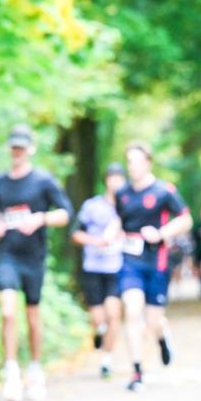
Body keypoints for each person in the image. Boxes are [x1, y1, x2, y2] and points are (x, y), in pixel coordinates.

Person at [0, 124, 72, 401]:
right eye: (14, 147)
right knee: (8, 311)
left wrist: (40, 219)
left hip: (33, 256)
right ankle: (11, 372)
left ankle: (35, 370)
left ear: (30, 149)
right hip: (8, 255)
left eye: (22, 147)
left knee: (33, 317)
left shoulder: (43, 181)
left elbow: (65, 213)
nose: (17, 151)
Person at [110, 142, 192, 392]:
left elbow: (186, 219)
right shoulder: (122, 193)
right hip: (130, 261)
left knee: (153, 320)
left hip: (157, 261)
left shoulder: (163, 191)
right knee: (132, 311)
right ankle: (136, 372)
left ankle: (162, 337)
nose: (132, 166)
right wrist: (110, 236)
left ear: (148, 163)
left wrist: (161, 233)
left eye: (136, 161)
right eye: (129, 161)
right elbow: (120, 223)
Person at [71, 163, 126, 380]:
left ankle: (106, 361)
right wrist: (96, 241)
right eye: (112, 177)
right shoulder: (91, 206)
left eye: (119, 178)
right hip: (93, 267)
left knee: (114, 314)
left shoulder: (128, 207)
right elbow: (75, 233)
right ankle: (98, 331)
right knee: (98, 318)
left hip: (117, 267)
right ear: (106, 180)